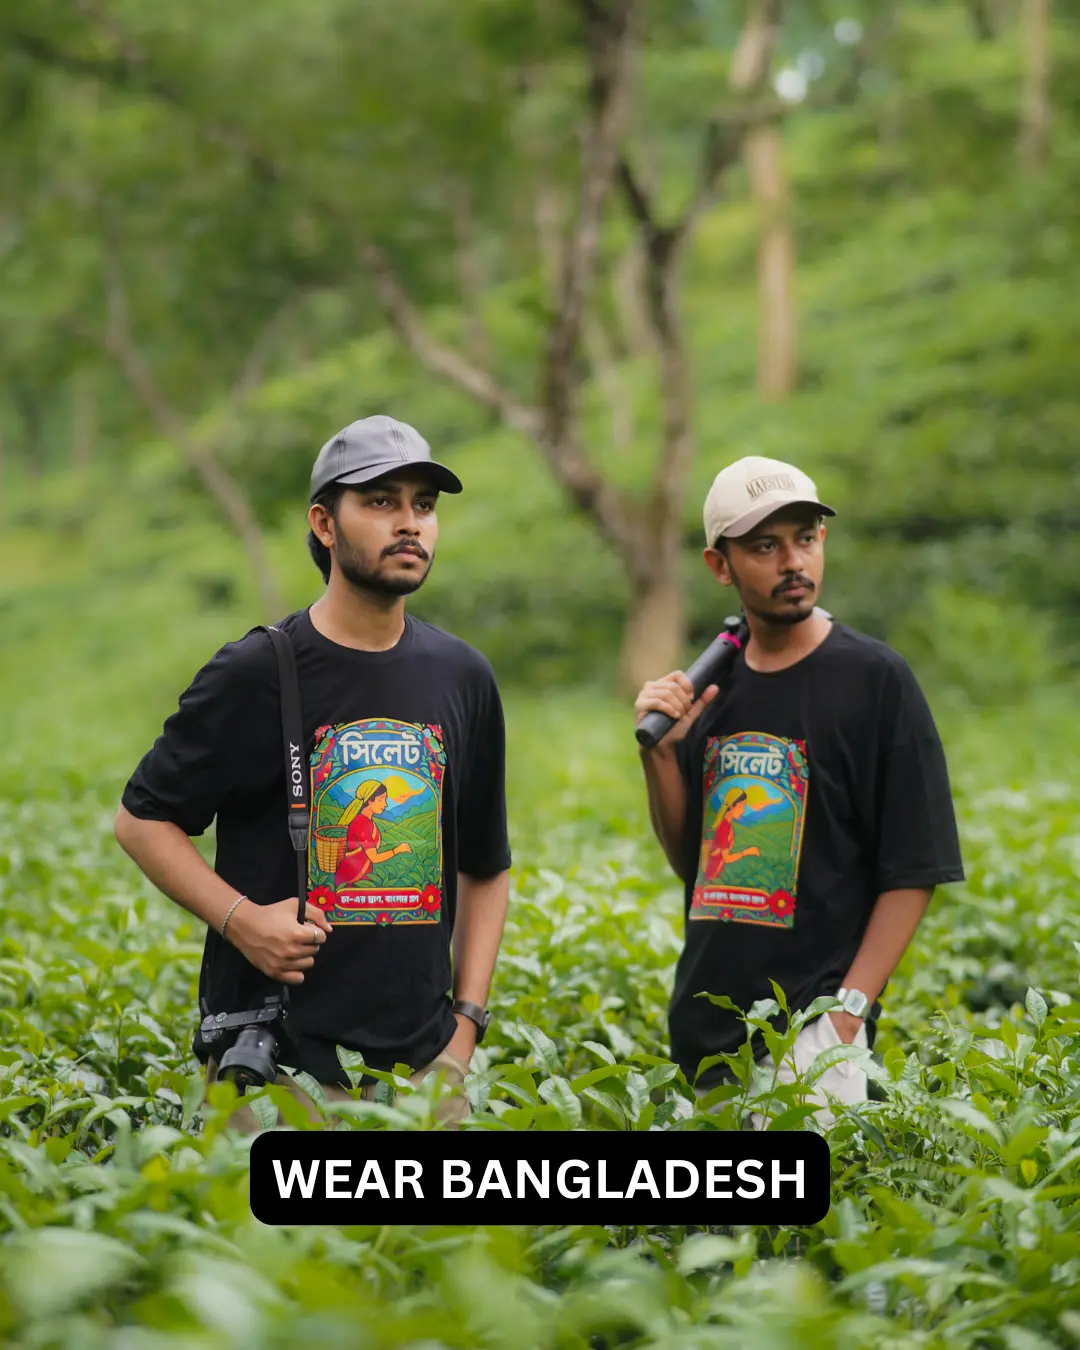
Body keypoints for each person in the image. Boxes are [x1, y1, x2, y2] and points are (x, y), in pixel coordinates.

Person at [115, 415, 511, 1130]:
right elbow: (141, 819)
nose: (410, 523)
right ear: (324, 524)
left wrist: (464, 1032)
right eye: (381, 502)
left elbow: (485, 865)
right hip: (277, 1068)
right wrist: (241, 921)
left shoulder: (463, 676)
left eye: (423, 505)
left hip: (424, 1072)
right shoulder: (258, 670)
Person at [634, 455, 964, 1127]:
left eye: (806, 539)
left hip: (813, 1035)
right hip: (706, 1024)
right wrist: (660, 758)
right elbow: (699, 867)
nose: (793, 562)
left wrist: (846, 1016)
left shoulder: (875, 679)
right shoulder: (711, 687)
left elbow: (914, 868)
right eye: (765, 546)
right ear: (720, 565)